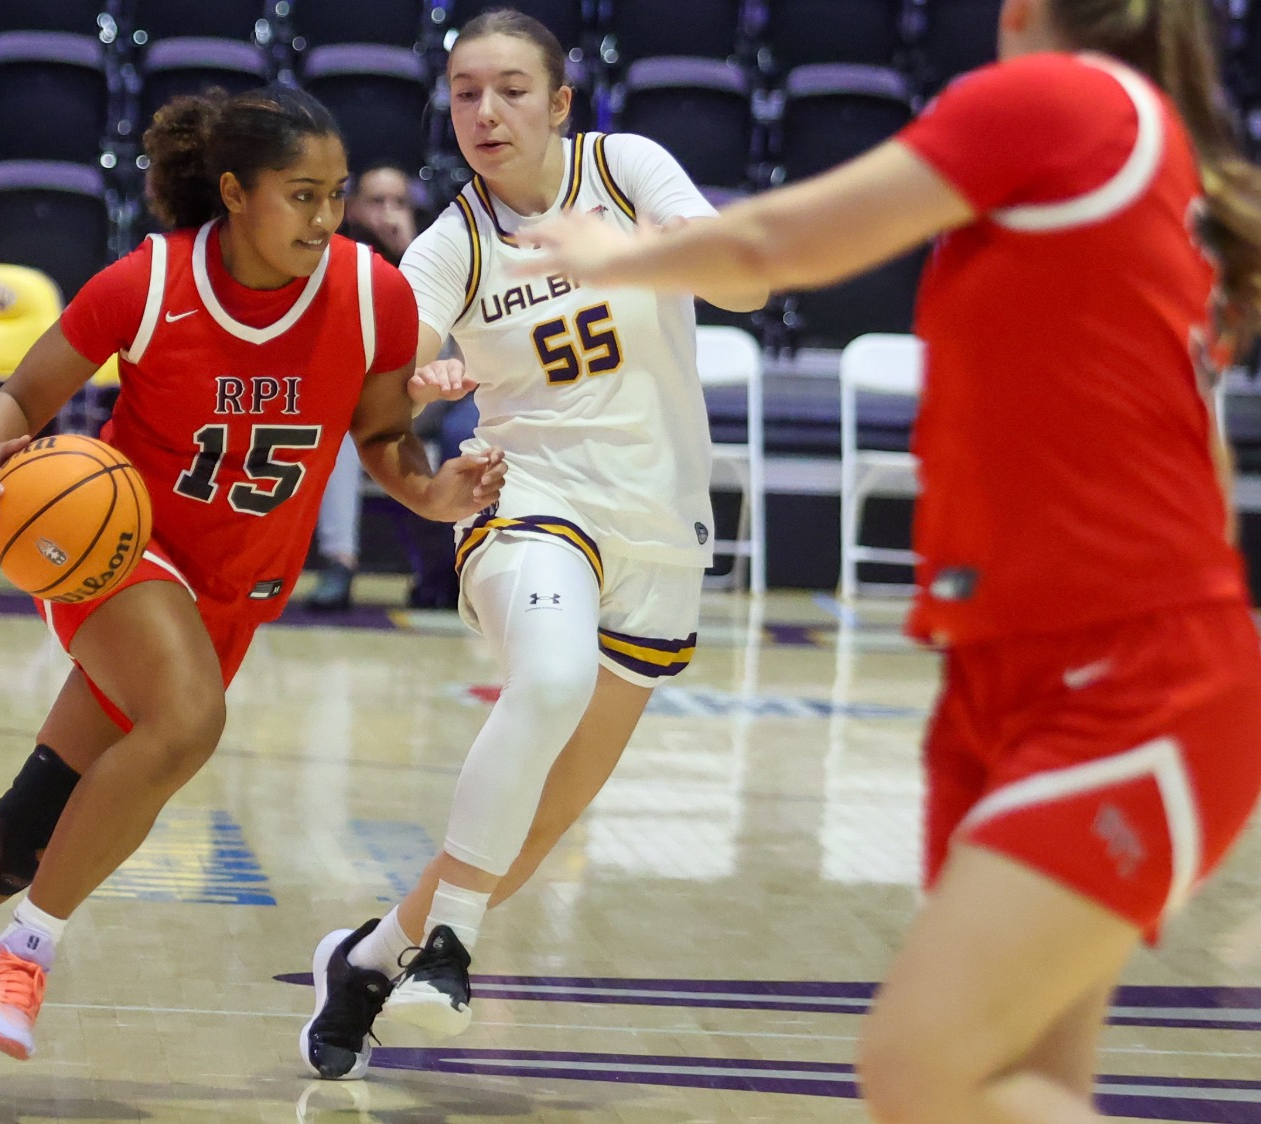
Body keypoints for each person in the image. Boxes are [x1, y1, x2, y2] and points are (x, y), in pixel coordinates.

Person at [515, 0, 1261, 1119]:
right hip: (1013, 665)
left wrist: (620, 250)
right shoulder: (1136, 164)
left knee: (921, 1068)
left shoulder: (1060, 99)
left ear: (1018, 11)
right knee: (1021, 1085)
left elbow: (779, 243)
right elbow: (1197, 460)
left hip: (1123, 676)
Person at [0, 86, 507, 1085]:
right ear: (235, 192)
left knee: (19, 838)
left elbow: (380, 437)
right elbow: (19, 397)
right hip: (119, 551)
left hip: (234, 588)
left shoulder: (373, 294)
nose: (325, 217)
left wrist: (429, 494)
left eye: (335, 195)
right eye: (301, 194)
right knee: (187, 718)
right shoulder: (146, 281)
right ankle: (22, 951)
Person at [299, 8, 768, 1080]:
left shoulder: (626, 167)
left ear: (560, 103)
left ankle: (368, 956)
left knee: (537, 817)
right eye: (464, 91)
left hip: (658, 532)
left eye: (510, 88)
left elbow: (745, 281)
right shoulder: (449, 242)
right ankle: (450, 948)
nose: (484, 111)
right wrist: (412, 402)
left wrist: (629, 249)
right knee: (547, 679)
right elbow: (374, 387)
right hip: (528, 509)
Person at [310, 164, 424, 611]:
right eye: (376, 202)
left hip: (425, 392)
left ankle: (455, 572)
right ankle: (340, 561)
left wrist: (410, 253)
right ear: (352, 207)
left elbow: (453, 342)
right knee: (341, 423)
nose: (388, 213)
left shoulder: (430, 256)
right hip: (350, 399)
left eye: (399, 202)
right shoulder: (332, 260)